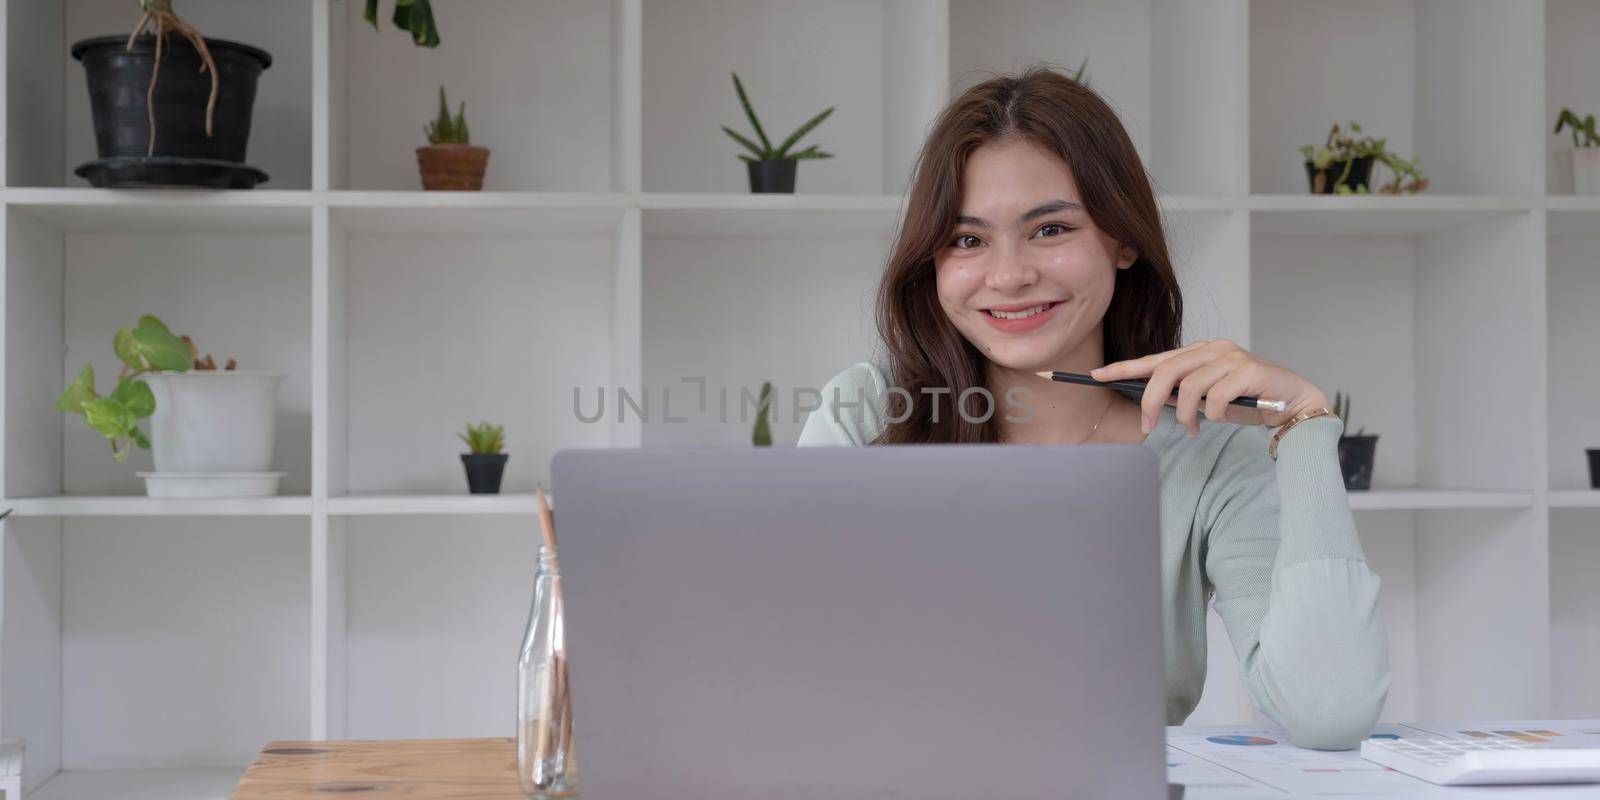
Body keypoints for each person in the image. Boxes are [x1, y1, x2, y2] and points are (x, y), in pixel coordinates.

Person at [797, 67, 1388, 750]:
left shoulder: (1211, 445)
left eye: (1049, 229)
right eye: (967, 239)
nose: (1010, 274)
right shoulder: (865, 413)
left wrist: (1304, 423)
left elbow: (1329, 710)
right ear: (932, 264)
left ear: (1123, 238)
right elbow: (794, 674)